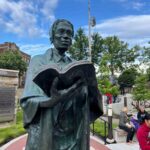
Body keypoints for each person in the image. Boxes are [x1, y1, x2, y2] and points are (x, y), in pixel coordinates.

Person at [20, 19, 103, 150]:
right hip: (48, 130)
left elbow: (92, 101)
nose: (65, 36)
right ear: (52, 36)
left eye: (69, 33)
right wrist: (50, 101)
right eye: (61, 32)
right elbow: (28, 100)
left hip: (73, 132)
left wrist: (90, 88)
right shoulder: (38, 61)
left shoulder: (76, 65)